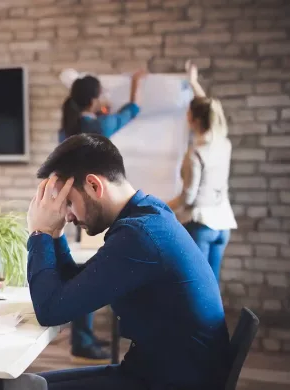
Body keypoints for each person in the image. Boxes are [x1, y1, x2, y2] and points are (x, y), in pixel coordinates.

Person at [26, 133, 231, 390]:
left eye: (69, 202)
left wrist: (39, 233)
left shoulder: (140, 236)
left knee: (27, 388)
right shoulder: (147, 215)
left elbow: (50, 310)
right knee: (32, 384)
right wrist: (54, 235)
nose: (66, 215)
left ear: (93, 185)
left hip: (171, 382)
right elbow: (72, 288)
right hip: (157, 372)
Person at [58, 70, 146, 363]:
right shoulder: (95, 127)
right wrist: (135, 84)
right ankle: (82, 341)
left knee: (79, 271)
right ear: (94, 99)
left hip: (67, 207)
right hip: (84, 207)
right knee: (86, 274)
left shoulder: (69, 127)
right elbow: (127, 115)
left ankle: (83, 338)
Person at [167, 62, 237, 284]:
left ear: (194, 120)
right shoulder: (223, 142)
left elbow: (188, 197)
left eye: (188, 113)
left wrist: (160, 205)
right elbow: (209, 109)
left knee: (196, 286)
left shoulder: (196, 153)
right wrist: (193, 82)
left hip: (200, 225)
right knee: (211, 287)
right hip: (222, 224)